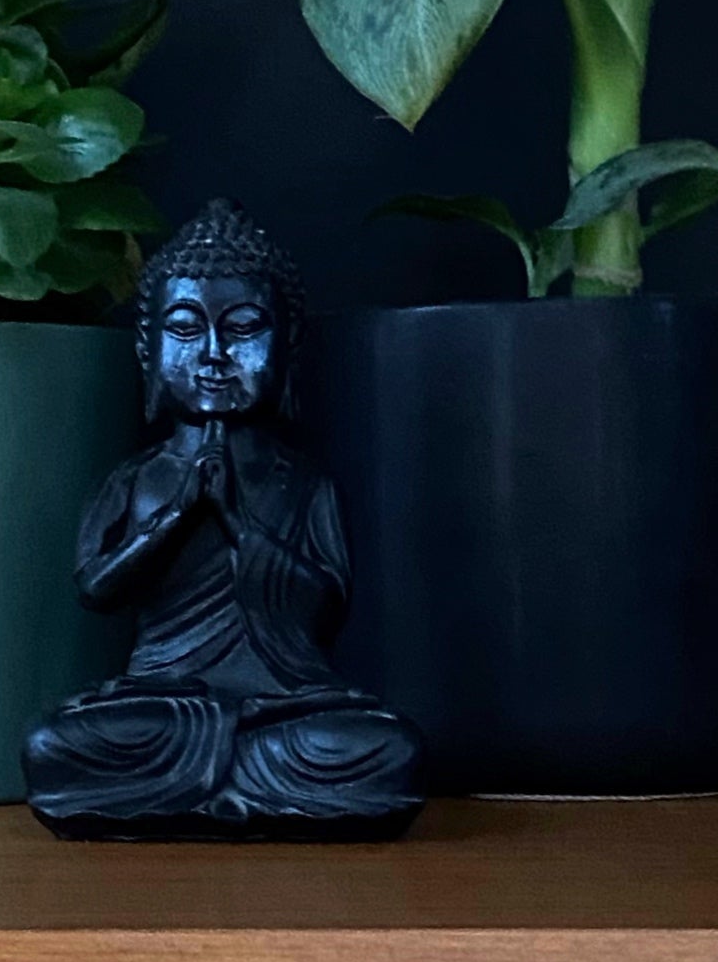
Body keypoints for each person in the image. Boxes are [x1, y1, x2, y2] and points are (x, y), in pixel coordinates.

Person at [23, 200, 423, 839]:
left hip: (283, 702)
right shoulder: (135, 479)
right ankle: (232, 790)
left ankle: (204, 792)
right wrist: (180, 513)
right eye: (184, 328)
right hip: (163, 699)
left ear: (287, 345)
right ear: (148, 347)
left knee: (384, 747)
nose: (212, 354)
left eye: (242, 329)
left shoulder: (304, 482)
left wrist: (237, 518)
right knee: (54, 744)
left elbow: (324, 606)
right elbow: (97, 588)